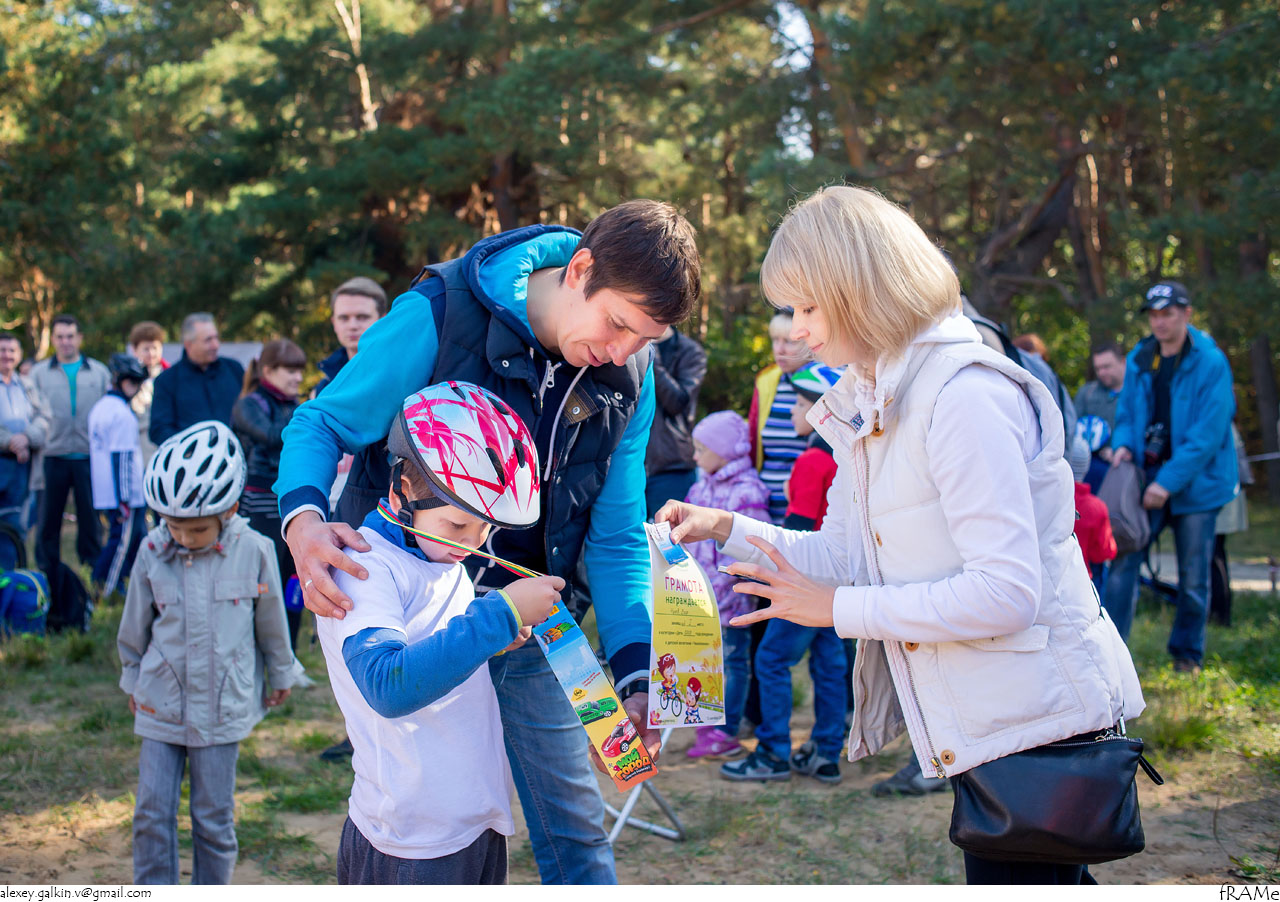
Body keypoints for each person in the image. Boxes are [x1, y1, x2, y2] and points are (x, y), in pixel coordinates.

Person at [658, 185, 1143, 885]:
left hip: (1035, 716)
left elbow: (1006, 593)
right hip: (988, 714)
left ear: (861, 287)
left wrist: (840, 611)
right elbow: (841, 555)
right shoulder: (878, 398)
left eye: (808, 306)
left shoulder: (962, 395)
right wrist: (724, 527)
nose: (795, 328)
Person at [276, 200, 700, 884]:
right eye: (619, 324)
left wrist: (634, 675)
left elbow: (617, 534)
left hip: (539, 624)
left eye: (645, 338)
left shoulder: (633, 373)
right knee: (424, 824)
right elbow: (321, 423)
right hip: (418, 619)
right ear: (579, 270)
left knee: (577, 833)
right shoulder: (442, 311)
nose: (623, 352)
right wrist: (301, 522)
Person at [316, 382, 562, 884]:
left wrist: (496, 637)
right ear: (401, 492)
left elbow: (436, 645)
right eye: (457, 526)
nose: (472, 545)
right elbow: (388, 685)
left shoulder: (436, 554)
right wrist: (498, 615)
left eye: (485, 530)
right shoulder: (366, 567)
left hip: (469, 819)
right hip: (411, 840)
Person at [117, 420, 300, 884]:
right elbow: (134, 628)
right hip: (161, 702)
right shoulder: (151, 551)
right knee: (151, 813)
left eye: (196, 529)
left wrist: (281, 672)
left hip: (223, 707)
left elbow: (271, 623)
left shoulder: (256, 550)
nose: (183, 538)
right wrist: (132, 679)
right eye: (174, 526)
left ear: (230, 508)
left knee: (214, 819)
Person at [721, 363, 848, 784]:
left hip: (804, 581)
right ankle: (827, 753)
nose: (792, 411)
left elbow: (797, 529)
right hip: (838, 582)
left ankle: (773, 752)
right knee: (829, 665)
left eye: (798, 403)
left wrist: (768, 577)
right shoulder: (845, 459)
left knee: (772, 659)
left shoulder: (811, 460)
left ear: (819, 410)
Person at [1103, 281, 1237, 674]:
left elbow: (1208, 435)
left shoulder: (1210, 361)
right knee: (1124, 560)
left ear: (1186, 314)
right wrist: (1123, 445)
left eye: (1168, 313)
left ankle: (1186, 655)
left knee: (1194, 574)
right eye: (1154, 315)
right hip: (1146, 477)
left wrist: (1168, 482)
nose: (1160, 322)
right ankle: (1111, 652)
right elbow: (1126, 414)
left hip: (1198, 483)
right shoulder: (1140, 357)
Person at [681, 410, 768, 760]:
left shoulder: (747, 492)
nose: (695, 456)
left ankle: (725, 730)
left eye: (702, 449)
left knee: (733, 663)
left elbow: (754, 549)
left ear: (724, 450)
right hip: (697, 597)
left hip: (731, 600)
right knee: (704, 662)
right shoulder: (700, 486)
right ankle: (705, 724)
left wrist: (730, 586)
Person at [232, 339, 307, 648]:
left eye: (300, 371)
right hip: (259, 506)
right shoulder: (249, 405)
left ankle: (289, 650)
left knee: (295, 579)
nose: (298, 378)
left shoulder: (294, 405)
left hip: (290, 502)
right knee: (265, 582)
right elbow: (273, 436)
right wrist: (307, 416)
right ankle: (257, 648)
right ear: (267, 371)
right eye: (290, 371)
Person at [33, 315, 110, 581]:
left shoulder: (99, 372)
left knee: (90, 522)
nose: (65, 342)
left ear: (79, 338)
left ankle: (94, 577)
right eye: (60, 337)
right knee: (48, 522)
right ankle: (48, 577)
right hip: (52, 456)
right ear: (53, 339)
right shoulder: (38, 374)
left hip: (89, 457)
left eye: (70, 336)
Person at [88, 354, 150, 597]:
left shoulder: (100, 408)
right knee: (121, 543)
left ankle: (126, 586)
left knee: (135, 541)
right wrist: (124, 499)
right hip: (124, 495)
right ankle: (104, 590)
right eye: (132, 382)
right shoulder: (121, 414)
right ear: (119, 380)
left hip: (108, 491)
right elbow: (121, 459)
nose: (136, 388)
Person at [748, 309, 809, 524]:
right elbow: (754, 440)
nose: (779, 349)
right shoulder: (767, 380)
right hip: (764, 504)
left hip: (805, 504)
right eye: (775, 340)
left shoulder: (825, 380)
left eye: (789, 342)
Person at [149, 313, 244, 446]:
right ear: (189, 344)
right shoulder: (167, 381)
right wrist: (191, 448)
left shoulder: (234, 369)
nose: (216, 345)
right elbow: (159, 430)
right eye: (208, 340)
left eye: (216, 338)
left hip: (237, 454)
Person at [644, 325, 707, 519]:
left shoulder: (690, 352)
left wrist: (650, 355)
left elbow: (677, 402)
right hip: (629, 466)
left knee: (669, 534)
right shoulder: (625, 344)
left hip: (672, 467)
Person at [0, 333, 50, 533]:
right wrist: (10, 441)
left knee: (16, 523)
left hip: (23, 466)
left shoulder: (27, 386)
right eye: (2, 350)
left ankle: (11, 555)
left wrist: (26, 438)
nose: (7, 355)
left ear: (19, 355)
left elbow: (44, 417)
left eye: (11, 350)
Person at [312, 277, 388, 399]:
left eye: (362, 317)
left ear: (383, 320)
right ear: (334, 323)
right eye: (344, 318)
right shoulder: (324, 388)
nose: (352, 326)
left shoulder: (404, 373)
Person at [1067, 435, 1116, 592]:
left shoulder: (1047, 499)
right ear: (1087, 466)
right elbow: (1103, 552)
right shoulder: (1096, 507)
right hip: (1083, 583)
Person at [1075, 342, 1126, 490]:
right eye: (1098, 368)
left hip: (1125, 467)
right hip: (1091, 467)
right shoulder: (1087, 393)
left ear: (1123, 362)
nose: (1102, 372)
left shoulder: (1138, 393)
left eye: (1107, 367)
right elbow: (1072, 430)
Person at [127, 321, 169, 466]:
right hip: (138, 445)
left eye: (155, 348)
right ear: (135, 350)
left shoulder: (171, 376)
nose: (151, 353)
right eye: (146, 349)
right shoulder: (127, 381)